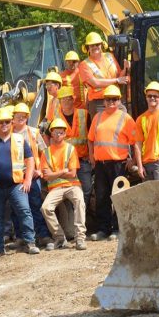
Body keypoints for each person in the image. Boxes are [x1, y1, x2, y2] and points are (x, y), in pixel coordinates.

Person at [0, 106, 39, 255]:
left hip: (16, 185)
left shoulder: (19, 139)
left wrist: (28, 180)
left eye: (6, 122)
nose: (4, 125)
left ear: (11, 123)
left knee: (24, 212)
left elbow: (30, 160)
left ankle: (30, 243)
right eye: (1, 122)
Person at [87, 85, 141, 241]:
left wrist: (133, 160)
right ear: (103, 101)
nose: (111, 102)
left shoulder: (126, 118)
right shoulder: (97, 117)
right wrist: (91, 155)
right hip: (101, 164)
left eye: (114, 99)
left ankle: (118, 229)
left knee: (118, 197)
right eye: (108, 99)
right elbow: (91, 140)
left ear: (119, 101)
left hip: (118, 164)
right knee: (102, 197)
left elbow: (135, 142)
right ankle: (103, 229)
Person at [37, 117, 87, 250]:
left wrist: (56, 173)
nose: (58, 135)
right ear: (51, 133)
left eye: (61, 132)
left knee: (79, 201)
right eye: (55, 132)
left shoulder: (70, 149)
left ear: (65, 134)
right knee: (46, 208)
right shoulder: (46, 153)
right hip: (55, 188)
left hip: (72, 185)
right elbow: (47, 177)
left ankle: (80, 238)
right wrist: (63, 171)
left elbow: (72, 174)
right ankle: (59, 238)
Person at [12, 102, 52, 245]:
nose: (21, 119)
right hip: (16, 177)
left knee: (35, 205)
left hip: (33, 175)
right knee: (17, 208)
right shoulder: (9, 134)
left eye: (24, 116)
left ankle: (42, 235)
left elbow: (44, 153)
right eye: (18, 116)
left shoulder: (34, 132)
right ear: (13, 118)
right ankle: (21, 237)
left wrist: (40, 170)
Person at [58, 84, 93, 234]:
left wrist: (92, 155)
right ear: (59, 101)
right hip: (66, 164)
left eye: (69, 98)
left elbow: (91, 137)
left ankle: (82, 223)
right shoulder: (56, 118)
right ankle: (73, 226)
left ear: (73, 99)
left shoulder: (84, 114)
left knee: (85, 191)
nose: (67, 101)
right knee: (68, 194)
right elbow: (48, 138)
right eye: (64, 99)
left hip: (83, 160)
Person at [77, 31, 128, 117]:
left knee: (123, 120)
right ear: (87, 48)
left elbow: (120, 76)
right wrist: (116, 80)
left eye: (97, 44)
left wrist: (126, 68)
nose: (95, 47)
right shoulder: (84, 64)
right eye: (92, 45)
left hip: (115, 99)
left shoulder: (109, 56)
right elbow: (95, 83)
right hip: (98, 103)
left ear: (102, 45)